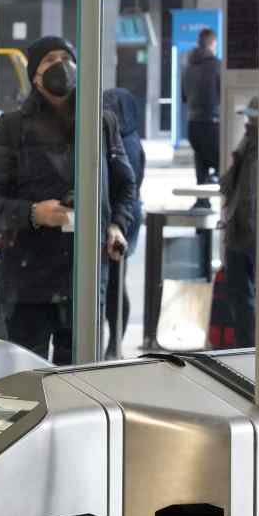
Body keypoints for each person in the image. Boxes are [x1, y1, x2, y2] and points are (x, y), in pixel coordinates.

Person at [0, 36, 137, 366]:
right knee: (25, 385)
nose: (61, 66)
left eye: (66, 57)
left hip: (84, 278)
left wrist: (116, 224)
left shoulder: (101, 122)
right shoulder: (11, 128)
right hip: (28, 283)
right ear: (35, 75)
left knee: (81, 385)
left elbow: (126, 185)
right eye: (49, 60)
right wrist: (34, 213)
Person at [102, 87, 146, 359]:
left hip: (120, 218)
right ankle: (113, 343)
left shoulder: (123, 141)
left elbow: (127, 185)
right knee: (117, 281)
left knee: (115, 284)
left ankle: (114, 343)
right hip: (125, 215)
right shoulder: (131, 138)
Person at [219, 97, 259, 348]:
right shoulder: (249, 144)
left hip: (249, 235)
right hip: (241, 233)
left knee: (245, 300)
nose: (248, 122)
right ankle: (245, 348)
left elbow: (249, 195)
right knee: (241, 298)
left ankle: (248, 349)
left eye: (253, 118)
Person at [182, 27, 221, 205]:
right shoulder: (217, 66)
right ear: (213, 43)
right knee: (225, 166)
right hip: (212, 124)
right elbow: (223, 96)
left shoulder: (188, 68)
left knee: (201, 170)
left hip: (193, 125)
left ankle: (201, 206)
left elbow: (184, 97)